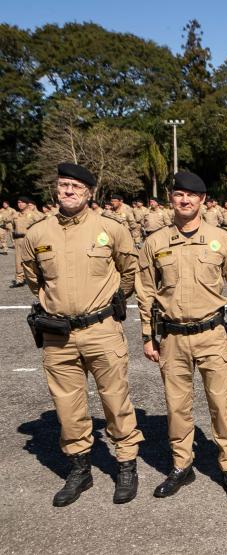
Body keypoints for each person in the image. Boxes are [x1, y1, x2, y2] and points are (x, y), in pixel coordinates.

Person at [22, 163, 144, 506]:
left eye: (76, 187)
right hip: (57, 335)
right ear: (56, 189)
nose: (68, 191)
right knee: (67, 405)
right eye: (63, 185)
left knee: (115, 400)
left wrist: (110, 301)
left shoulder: (110, 229)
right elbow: (33, 279)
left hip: (101, 329)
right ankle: (79, 468)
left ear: (89, 192)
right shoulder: (37, 233)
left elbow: (129, 271)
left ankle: (126, 464)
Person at [136, 172, 227, 499]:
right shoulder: (155, 242)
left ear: (202, 200)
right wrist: (148, 336)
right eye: (179, 194)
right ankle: (181, 465)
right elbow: (145, 293)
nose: (184, 200)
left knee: (221, 405)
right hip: (172, 338)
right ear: (171, 198)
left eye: (191, 195)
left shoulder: (221, 239)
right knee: (177, 408)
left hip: (212, 334)